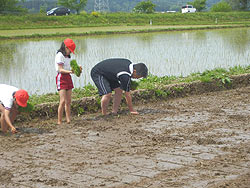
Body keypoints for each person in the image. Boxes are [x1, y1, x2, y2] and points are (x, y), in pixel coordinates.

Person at [55, 38, 79, 125]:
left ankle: (68, 119)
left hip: (68, 77)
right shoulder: (60, 55)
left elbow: (68, 69)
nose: (70, 52)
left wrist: (77, 69)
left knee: (68, 101)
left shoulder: (68, 56)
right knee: (62, 101)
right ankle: (59, 121)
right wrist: (70, 72)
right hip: (61, 77)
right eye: (69, 50)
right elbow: (60, 70)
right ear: (65, 47)